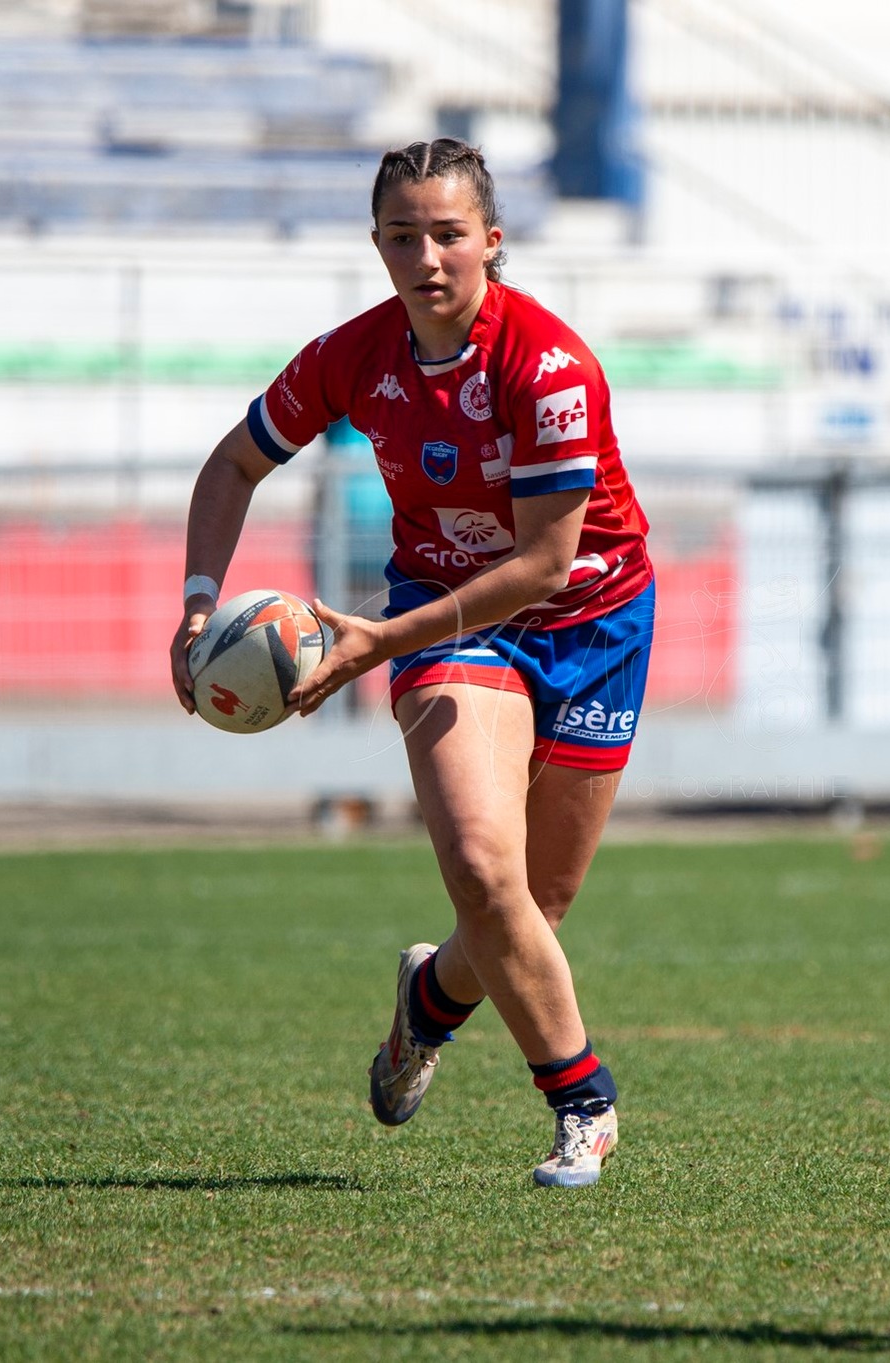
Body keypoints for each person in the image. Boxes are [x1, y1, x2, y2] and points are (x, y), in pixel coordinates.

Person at [171, 139, 655, 1188]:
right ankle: (583, 1104)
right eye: (403, 236)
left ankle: (427, 1004)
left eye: (447, 234)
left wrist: (376, 644)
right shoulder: (352, 355)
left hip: (590, 617)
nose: (426, 256)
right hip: (450, 626)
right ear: (378, 245)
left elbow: (542, 565)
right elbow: (233, 463)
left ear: (492, 240)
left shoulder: (547, 364)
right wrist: (199, 604)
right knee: (484, 871)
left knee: (533, 900)